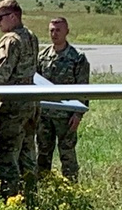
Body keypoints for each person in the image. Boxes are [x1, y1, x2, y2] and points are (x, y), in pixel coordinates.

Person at [0, 0, 40, 201]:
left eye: (0, 18)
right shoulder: (31, 37)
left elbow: (3, 73)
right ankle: (30, 195)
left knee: (7, 153)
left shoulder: (11, 40)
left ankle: (10, 198)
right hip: (30, 102)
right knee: (27, 152)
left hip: (13, 104)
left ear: (13, 16)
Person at [37, 17, 90, 182]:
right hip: (44, 115)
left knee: (67, 154)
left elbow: (83, 88)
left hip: (66, 116)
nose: (54, 34)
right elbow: (35, 84)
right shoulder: (42, 56)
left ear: (67, 31)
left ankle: (71, 186)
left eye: (58, 30)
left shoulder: (77, 57)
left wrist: (79, 114)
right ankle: (43, 186)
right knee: (43, 153)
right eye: (52, 30)